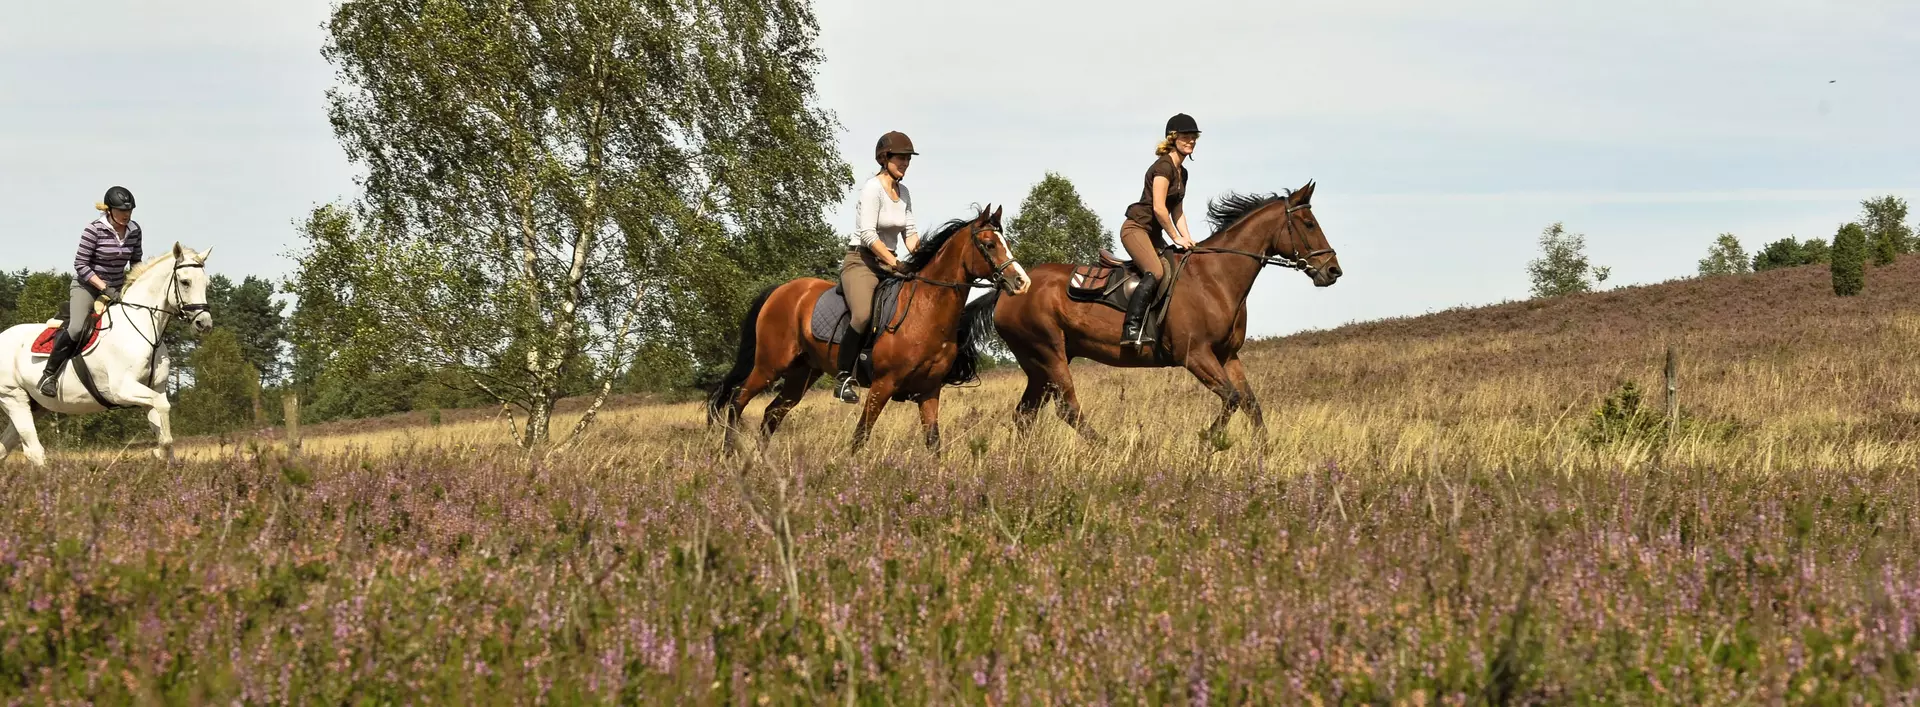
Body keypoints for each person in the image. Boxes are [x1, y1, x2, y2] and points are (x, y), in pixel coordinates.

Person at [834, 131, 922, 403]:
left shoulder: (904, 192)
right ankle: (842, 377)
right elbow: (869, 236)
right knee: (862, 315)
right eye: (901, 158)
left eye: (908, 159)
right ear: (885, 158)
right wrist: (896, 262)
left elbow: (910, 233)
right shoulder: (872, 188)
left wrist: (925, 256)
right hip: (862, 261)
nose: (905, 163)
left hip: (890, 263)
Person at [40, 186, 143, 396]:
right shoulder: (93, 229)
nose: (126, 214)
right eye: (122, 210)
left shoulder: (135, 230)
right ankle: (48, 375)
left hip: (117, 288)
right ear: (109, 210)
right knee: (77, 328)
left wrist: (135, 285)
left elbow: (136, 262)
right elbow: (81, 265)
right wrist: (104, 288)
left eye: (129, 210)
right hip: (87, 286)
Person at [1118, 113, 1200, 345]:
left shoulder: (1182, 172)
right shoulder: (1163, 167)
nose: (1191, 140)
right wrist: (1175, 237)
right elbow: (1159, 208)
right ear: (1173, 138)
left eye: (1194, 136)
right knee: (1156, 271)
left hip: (1153, 234)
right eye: (1186, 136)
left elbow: (1178, 211)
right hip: (1135, 228)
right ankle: (1131, 328)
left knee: (1178, 268)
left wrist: (1188, 239)